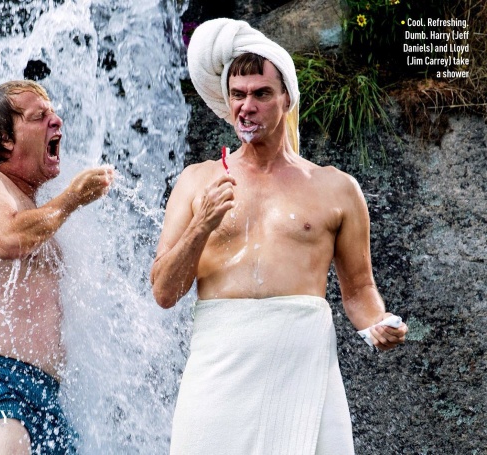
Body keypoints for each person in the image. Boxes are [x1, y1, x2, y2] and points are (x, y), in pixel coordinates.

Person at [150, 19, 408, 455]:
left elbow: (359, 289)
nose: (246, 106)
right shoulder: (197, 181)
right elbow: (163, 291)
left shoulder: (336, 188)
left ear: (287, 97)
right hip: (218, 369)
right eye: (238, 94)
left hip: (303, 365)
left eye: (261, 94)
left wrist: (377, 323)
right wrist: (202, 224)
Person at [0, 80, 114, 455]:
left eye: (54, 113)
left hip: (45, 393)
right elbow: (7, 238)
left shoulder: (34, 209)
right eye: (40, 116)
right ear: (5, 137)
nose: (57, 121)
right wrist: (72, 198)